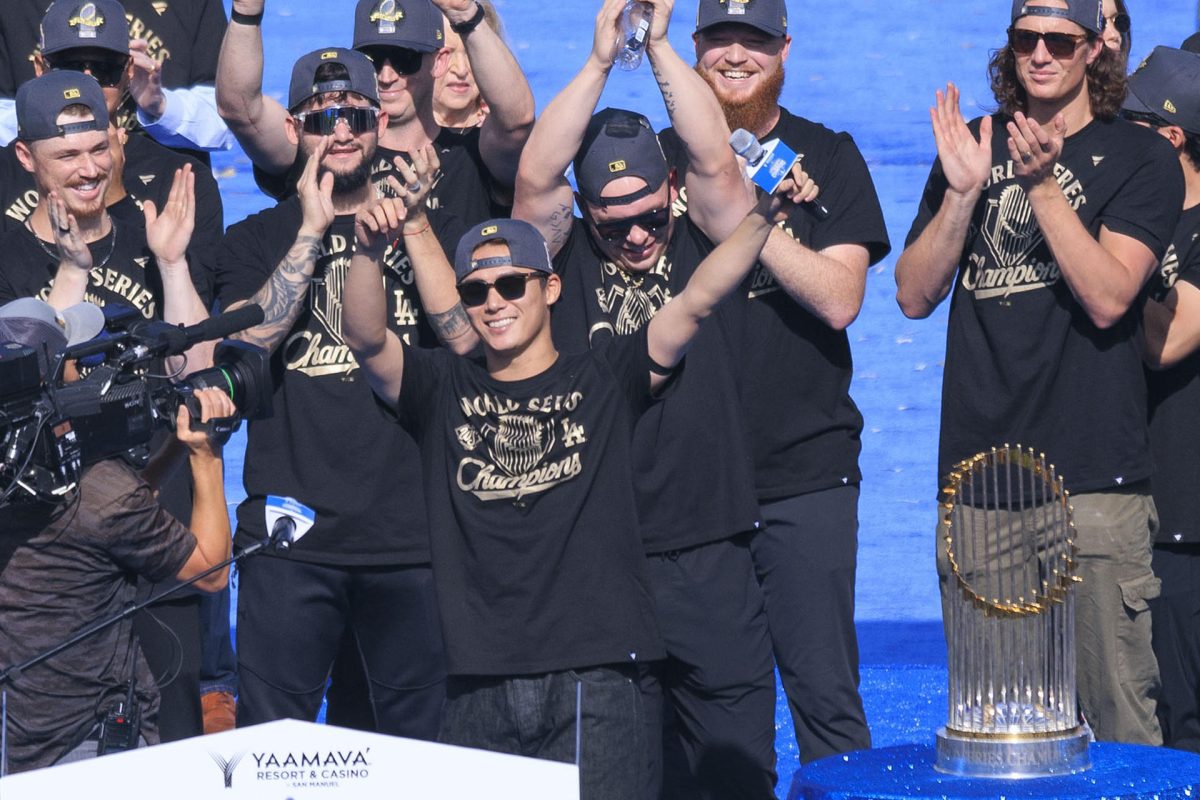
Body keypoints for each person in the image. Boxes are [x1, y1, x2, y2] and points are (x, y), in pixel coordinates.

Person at [342, 172, 794, 799]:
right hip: (479, 680)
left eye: (509, 284)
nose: (493, 302)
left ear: (550, 286)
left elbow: (695, 301)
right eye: (475, 292)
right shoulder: (439, 387)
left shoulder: (605, 375)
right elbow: (366, 338)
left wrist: (764, 215)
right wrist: (366, 251)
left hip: (600, 679)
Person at [514, 1, 798, 795]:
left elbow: (714, 158)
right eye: (614, 226)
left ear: (669, 193)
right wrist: (601, 59)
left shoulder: (702, 227)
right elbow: (536, 177)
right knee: (616, 779)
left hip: (710, 550)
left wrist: (664, 47)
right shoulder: (556, 264)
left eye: (647, 218)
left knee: (735, 773)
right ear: (586, 215)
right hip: (602, 560)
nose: (636, 240)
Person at [894, 0, 1183, 744]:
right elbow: (913, 292)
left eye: (1061, 40)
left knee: (1118, 720)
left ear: (1095, 51)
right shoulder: (974, 146)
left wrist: (1043, 187)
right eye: (1027, 38)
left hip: (1093, 485)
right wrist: (961, 193)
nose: (1042, 54)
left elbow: (1110, 295)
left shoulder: (1140, 158)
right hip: (980, 486)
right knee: (1000, 731)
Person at [662, 0, 892, 764]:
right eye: (720, 39)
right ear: (693, 49)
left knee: (828, 705)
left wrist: (744, 223)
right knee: (709, 718)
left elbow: (839, 298)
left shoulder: (827, 155)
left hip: (805, 477)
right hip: (687, 487)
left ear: (785, 48)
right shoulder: (651, 164)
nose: (736, 55)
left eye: (753, 40)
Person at [212, 48, 456, 739]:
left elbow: (465, 341)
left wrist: (413, 222)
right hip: (293, 543)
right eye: (324, 119)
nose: (342, 132)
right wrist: (313, 229)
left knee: (417, 752)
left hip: (410, 541)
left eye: (355, 115)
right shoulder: (255, 240)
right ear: (295, 129)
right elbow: (248, 346)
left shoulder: (422, 229)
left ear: (381, 123)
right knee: (271, 744)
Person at [0, 295, 234, 774]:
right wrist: (206, 458)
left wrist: (169, 448)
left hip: (17, 735)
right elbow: (209, 571)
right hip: (89, 740)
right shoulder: (100, 490)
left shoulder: (26, 479)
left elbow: (104, 519)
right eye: (76, 365)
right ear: (57, 376)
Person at [217, 0, 532, 216]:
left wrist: (468, 17)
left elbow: (517, 121)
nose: (386, 75)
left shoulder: (471, 154)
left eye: (405, 60)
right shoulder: (328, 148)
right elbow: (240, 109)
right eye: (373, 59)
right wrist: (246, 13)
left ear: (439, 63)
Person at [1126, 46, 1200, 754]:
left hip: (1188, 528)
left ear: (1169, 137)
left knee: (1184, 726)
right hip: (1132, 515)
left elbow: (1166, 343)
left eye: (1128, 123)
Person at [0, 0, 232, 155]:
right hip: (37, 196)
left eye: (105, 68)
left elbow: (228, 123)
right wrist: (54, 117)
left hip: (163, 190)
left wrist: (159, 105)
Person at [433, 0, 500, 131]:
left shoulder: (505, 136)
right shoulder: (385, 134)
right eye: (445, 54)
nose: (461, 70)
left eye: (471, 54)